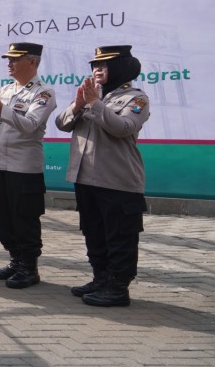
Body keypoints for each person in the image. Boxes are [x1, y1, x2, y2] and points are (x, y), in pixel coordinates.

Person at [54, 45, 150, 307]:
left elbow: (123, 127)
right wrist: (79, 104)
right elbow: (61, 123)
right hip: (86, 177)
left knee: (120, 236)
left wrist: (95, 104)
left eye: (104, 65)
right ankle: (101, 278)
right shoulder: (90, 95)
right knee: (94, 232)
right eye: (95, 65)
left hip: (117, 180)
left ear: (120, 67)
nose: (97, 69)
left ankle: (118, 287)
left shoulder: (136, 99)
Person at [0, 42, 57, 289]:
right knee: (3, 216)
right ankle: (15, 260)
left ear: (32, 61)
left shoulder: (44, 93)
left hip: (25, 168)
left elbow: (29, 125)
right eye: (8, 59)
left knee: (24, 218)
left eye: (15, 59)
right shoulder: (8, 89)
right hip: (1, 165)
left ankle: (29, 267)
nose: (9, 63)